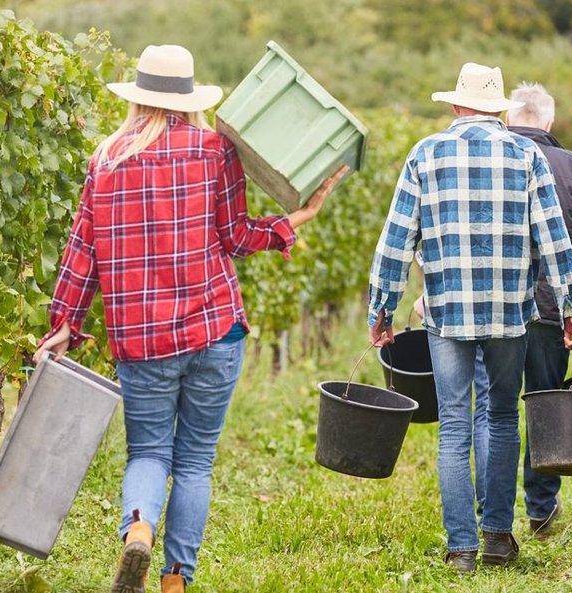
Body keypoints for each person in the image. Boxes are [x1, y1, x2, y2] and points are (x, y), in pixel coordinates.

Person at [31, 45, 347, 593]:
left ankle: (139, 528)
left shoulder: (105, 159)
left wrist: (64, 324)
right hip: (214, 329)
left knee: (149, 452)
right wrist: (296, 218)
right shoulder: (214, 150)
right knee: (196, 461)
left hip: (143, 340)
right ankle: (177, 579)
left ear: (137, 97)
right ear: (188, 98)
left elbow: (83, 247)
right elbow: (236, 236)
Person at [367, 63, 572, 573]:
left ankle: (461, 547)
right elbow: (553, 238)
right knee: (504, 418)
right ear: (498, 109)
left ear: (456, 105)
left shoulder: (426, 154)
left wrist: (382, 308)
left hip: (447, 313)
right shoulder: (527, 154)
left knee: (453, 429)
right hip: (512, 314)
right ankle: (496, 537)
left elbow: (397, 240)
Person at [470, 82, 572, 538]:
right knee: (545, 402)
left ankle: (489, 510)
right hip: (554, 307)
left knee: (491, 409)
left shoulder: (487, 158)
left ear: (507, 119)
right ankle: (541, 510)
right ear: (549, 123)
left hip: (493, 304)